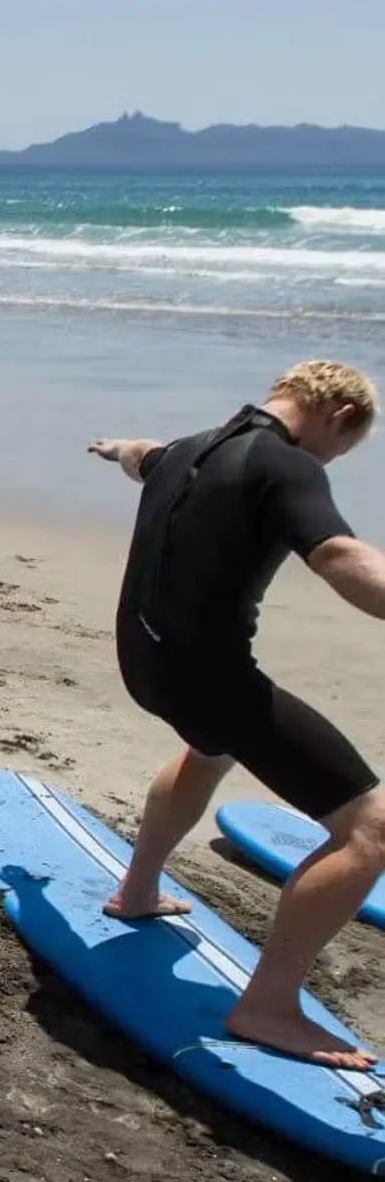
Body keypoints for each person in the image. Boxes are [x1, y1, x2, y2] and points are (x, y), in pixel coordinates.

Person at [89, 360, 385, 1068]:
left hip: (145, 661)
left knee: (211, 746)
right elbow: (341, 555)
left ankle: (136, 891)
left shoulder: (193, 445)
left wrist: (113, 447)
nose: (330, 460)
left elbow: (141, 455)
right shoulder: (288, 468)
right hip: (205, 676)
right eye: (343, 447)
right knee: (369, 825)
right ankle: (268, 1005)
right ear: (340, 415)